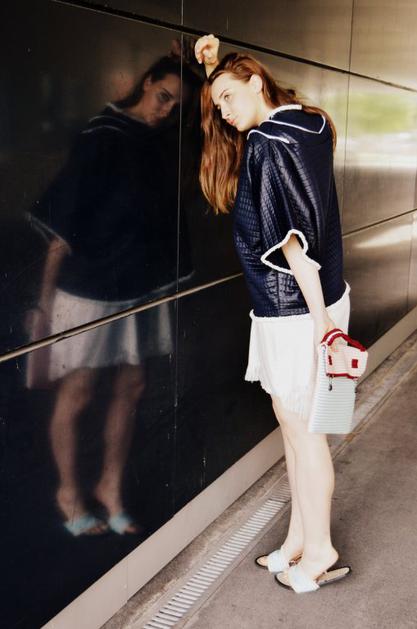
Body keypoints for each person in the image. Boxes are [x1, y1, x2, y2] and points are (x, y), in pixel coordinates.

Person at [194, 35, 352, 593]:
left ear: (257, 83)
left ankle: (321, 549)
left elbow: (291, 243)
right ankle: (298, 540)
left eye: (229, 98)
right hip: (325, 296)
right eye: (217, 104)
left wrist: (320, 323)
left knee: (304, 434)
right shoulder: (312, 123)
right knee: (298, 429)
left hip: (294, 310)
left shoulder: (265, 143)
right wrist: (216, 71)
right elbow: (310, 221)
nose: (223, 111)